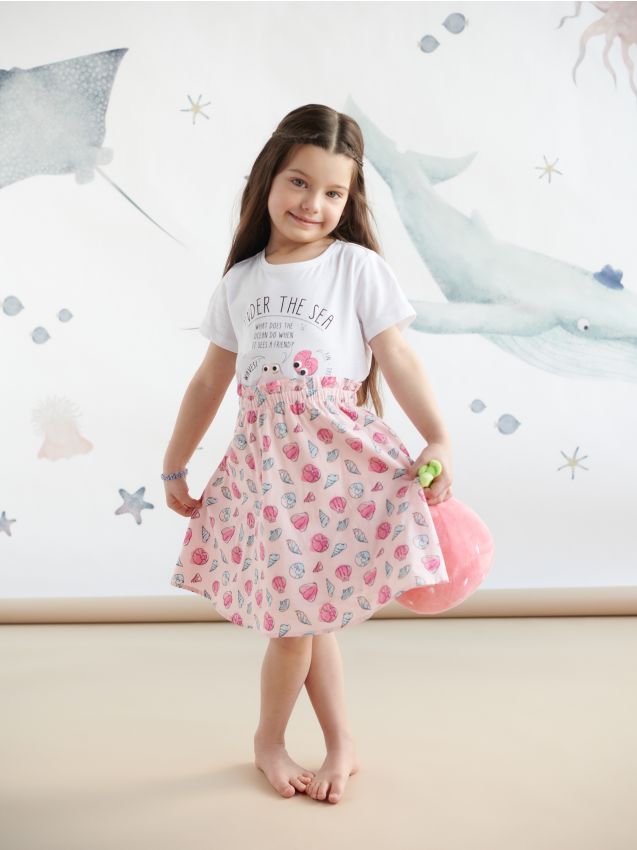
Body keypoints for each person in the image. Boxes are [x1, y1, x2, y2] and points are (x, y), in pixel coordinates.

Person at [162, 104, 454, 805]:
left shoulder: (356, 267)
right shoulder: (240, 281)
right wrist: (175, 464)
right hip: (267, 477)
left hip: (334, 470)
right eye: (299, 182)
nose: (312, 204)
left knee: (298, 622)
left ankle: (271, 740)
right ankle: (336, 743)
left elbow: (397, 356)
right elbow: (209, 380)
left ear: (349, 201)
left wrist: (437, 436)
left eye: (332, 192)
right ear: (267, 178)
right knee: (304, 617)